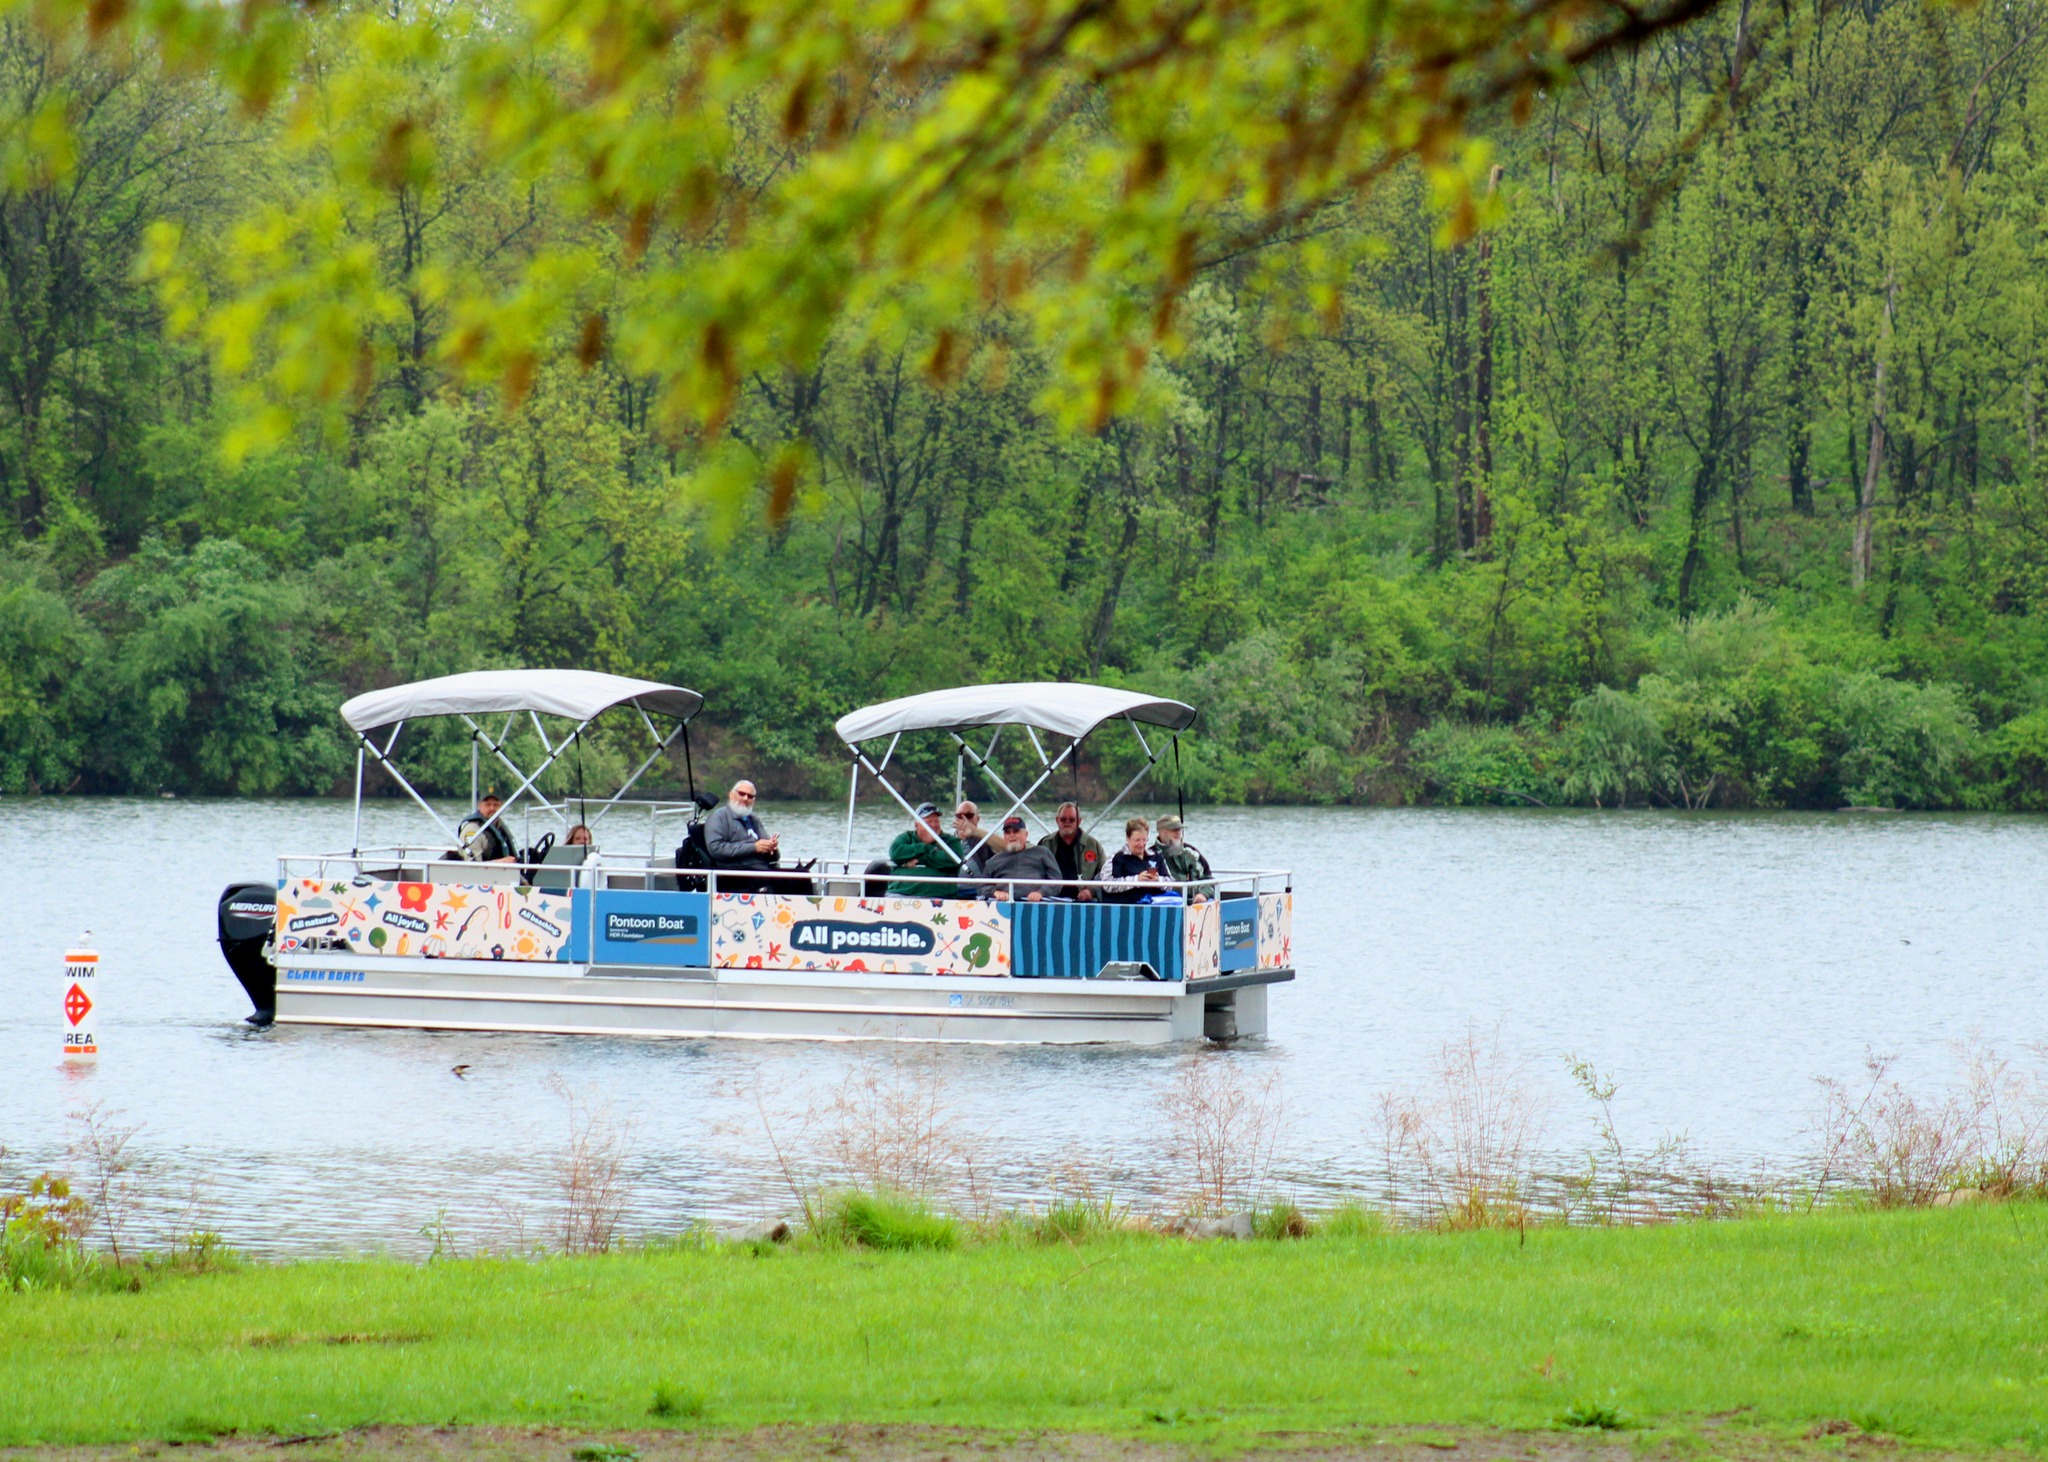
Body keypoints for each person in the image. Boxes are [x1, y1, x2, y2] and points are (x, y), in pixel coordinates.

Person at [706, 781, 780, 885]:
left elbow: (773, 858)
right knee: (786, 881)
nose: (745, 798)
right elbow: (715, 848)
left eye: (750, 796)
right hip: (735, 872)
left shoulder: (754, 819)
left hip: (760, 868)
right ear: (731, 794)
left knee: (801, 876)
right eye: (741, 794)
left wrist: (771, 847)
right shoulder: (719, 817)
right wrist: (754, 847)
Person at [887, 802, 968, 898]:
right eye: (929, 822)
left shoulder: (950, 841)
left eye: (936, 821)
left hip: (939, 897)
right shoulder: (906, 838)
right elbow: (895, 852)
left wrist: (920, 859)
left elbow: (954, 860)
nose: (934, 825)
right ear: (917, 825)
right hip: (899, 894)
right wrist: (925, 848)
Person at [978, 815, 1063, 902]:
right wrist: (995, 892)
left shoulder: (1042, 853)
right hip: (1002, 905)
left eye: (1016, 831)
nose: (1011, 835)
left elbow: (1056, 880)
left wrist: (1041, 892)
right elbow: (982, 886)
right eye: (1007, 832)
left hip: (1036, 904)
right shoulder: (994, 860)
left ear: (1026, 834)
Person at [1038, 801, 1104, 900]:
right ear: (1057, 820)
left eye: (1072, 819)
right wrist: (1041, 892)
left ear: (1079, 821)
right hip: (1049, 898)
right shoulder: (1045, 843)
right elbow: (1035, 871)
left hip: (1083, 901)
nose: (1067, 822)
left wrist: (1090, 890)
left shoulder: (1094, 845)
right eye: (1063, 819)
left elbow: (1104, 874)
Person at [1104, 816, 1167, 903]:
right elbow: (1107, 885)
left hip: (1156, 904)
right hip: (1127, 906)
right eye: (1137, 840)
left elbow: (1171, 883)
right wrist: (1136, 880)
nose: (1141, 844)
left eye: (1144, 840)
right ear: (1128, 838)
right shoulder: (1115, 858)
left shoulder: (1157, 856)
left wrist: (1157, 880)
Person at [1152, 814, 1212, 891]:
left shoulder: (1191, 852)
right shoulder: (1151, 855)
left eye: (1180, 829)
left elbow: (1208, 878)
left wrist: (1203, 894)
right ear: (1161, 832)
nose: (1178, 833)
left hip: (1196, 900)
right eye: (1174, 830)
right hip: (1166, 900)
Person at [458, 791, 518, 862]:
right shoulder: (472, 830)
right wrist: (500, 862)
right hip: (479, 872)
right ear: (479, 805)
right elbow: (473, 865)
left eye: (496, 805)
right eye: (488, 805)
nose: (492, 808)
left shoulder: (500, 827)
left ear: (501, 806)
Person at [952, 801, 991, 877]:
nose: (964, 819)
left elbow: (1005, 848)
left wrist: (975, 831)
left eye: (969, 815)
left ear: (977, 819)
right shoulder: (946, 842)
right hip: (951, 886)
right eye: (959, 816)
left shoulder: (985, 841)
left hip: (978, 886)